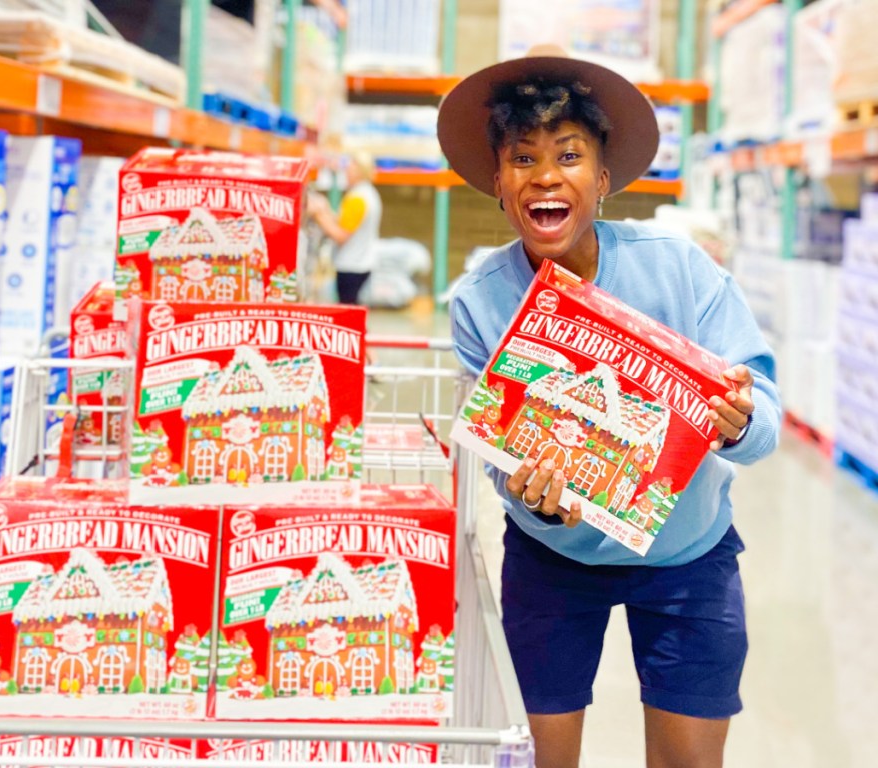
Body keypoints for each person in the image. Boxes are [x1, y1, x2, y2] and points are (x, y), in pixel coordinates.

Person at [441, 46, 781, 768]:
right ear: (499, 184)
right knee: (539, 758)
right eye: (523, 158)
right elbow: (503, 455)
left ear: (601, 180)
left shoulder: (678, 267)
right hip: (551, 560)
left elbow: (766, 415)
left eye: (568, 155)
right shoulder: (480, 302)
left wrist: (741, 422)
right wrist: (532, 500)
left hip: (689, 556)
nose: (546, 175)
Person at [307, 150, 383, 305]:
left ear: (359, 172)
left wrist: (318, 215)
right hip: (360, 263)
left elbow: (341, 235)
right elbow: (344, 223)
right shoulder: (367, 193)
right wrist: (326, 210)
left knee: (349, 309)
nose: (346, 173)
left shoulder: (357, 199)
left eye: (349, 169)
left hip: (352, 265)